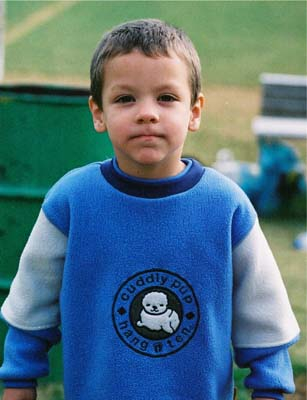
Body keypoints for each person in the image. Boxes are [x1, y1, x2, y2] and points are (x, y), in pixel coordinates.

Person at [0, 19, 300, 400]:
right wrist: (19, 380)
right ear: (98, 112)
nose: (147, 113)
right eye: (126, 98)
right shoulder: (71, 201)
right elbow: (31, 303)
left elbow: (266, 318)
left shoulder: (227, 207)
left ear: (195, 111)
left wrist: (270, 388)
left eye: (166, 98)